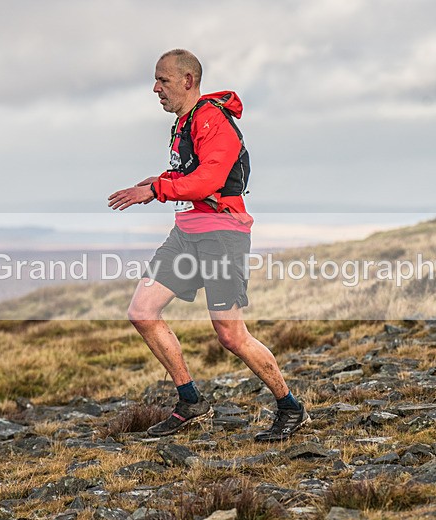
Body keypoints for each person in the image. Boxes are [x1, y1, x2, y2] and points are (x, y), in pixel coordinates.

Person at [108, 49, 309, 441]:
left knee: (231, 335)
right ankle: (190, 401)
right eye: (155, 80)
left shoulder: (214, 120)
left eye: (162, 80)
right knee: (142, 311)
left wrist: (156, 189)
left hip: (222, 233)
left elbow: (207, 182)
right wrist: (153, 182)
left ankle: (290, 407)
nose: (155, 88)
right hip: (187, 232)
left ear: (188, 81)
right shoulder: (184, 123)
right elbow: (187, 172)